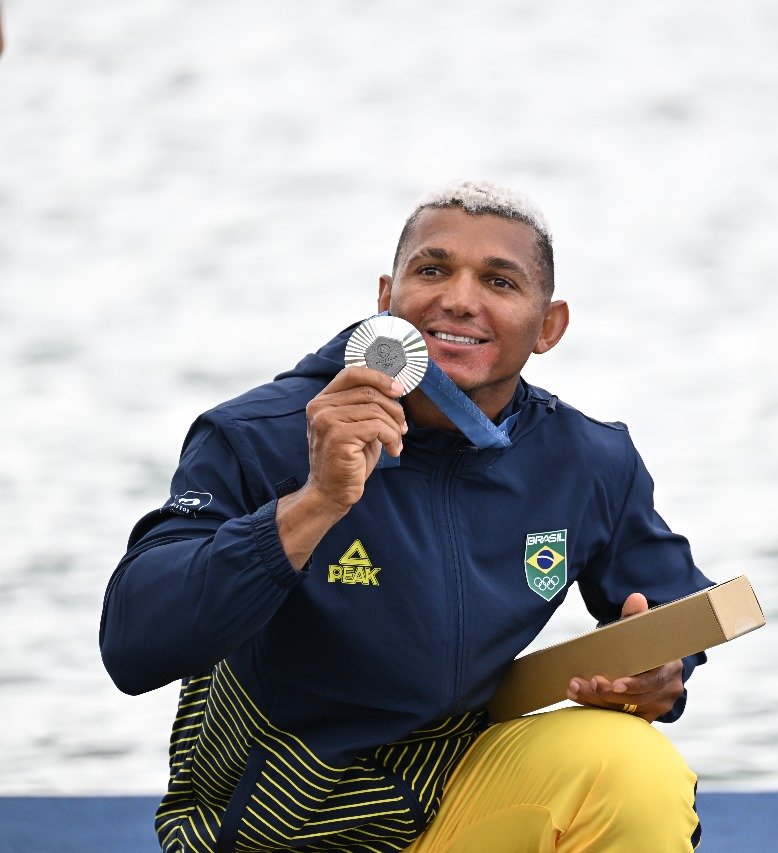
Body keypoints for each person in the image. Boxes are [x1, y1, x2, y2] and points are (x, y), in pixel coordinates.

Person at [100, 180, 714, 852]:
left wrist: (661, 671)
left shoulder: (587, 459)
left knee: (629, 761)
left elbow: (675, 610)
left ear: (549, 326)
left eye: (499, 281)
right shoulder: (259, 433)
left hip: (451, 806)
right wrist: (316, 502)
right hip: (274, 828)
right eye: (433, 269)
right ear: (386, 297)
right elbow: (134, 642)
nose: (458, 297)